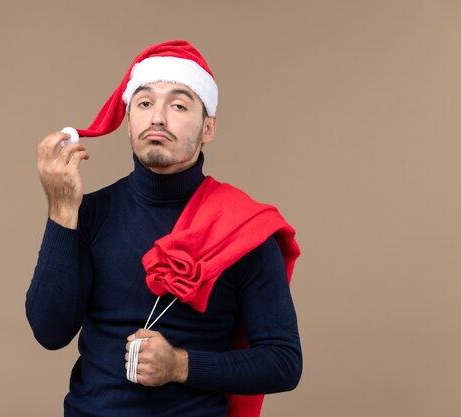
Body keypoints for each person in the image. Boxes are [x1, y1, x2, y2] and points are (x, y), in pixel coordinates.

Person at [26, 40, 302, 417]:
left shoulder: (242, 227)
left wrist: (180, 365)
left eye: (178, 104)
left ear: (209, 127)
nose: (157, 117)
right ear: (128, 123)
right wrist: (61, 207)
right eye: (144, 103)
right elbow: (49, 332)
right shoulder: (89, 211)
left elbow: (283, 362)